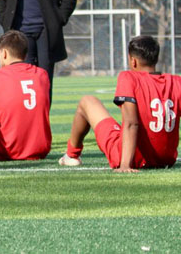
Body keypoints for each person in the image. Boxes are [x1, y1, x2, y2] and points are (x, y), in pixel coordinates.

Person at [59, 35, 181, 172]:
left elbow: (131, 123)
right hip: (166, 159)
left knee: (87, 101)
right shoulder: (176, 81)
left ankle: (72, 155)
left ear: (133, 61)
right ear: (156, 59)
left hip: (131, 157)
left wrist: (125, 165)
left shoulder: (129, 77)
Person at [0, 30, 52, 161]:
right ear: (25, 55)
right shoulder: (42, 74)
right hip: (41, 149)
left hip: (6, 151)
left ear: (3, 54)